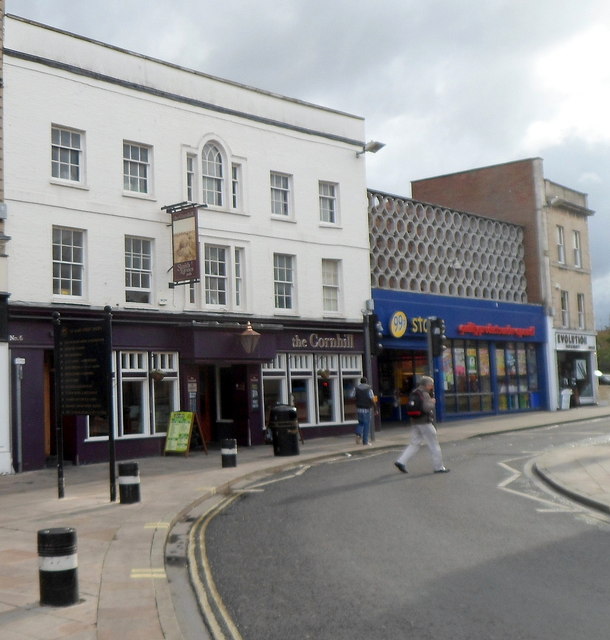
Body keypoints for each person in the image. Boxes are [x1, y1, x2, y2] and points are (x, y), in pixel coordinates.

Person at [394, 375, 449, 474]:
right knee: (434, 445)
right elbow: (426, 408)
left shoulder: (414, 392)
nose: (432, 386)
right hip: (425, 422)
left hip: (415, 422)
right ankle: (439, 467)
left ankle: (401, 461)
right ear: (427, 385)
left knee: (414, 443)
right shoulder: (425, 394)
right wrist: (432, 403)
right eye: (431, 384)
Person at [354, 376, 375, 446]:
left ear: (360, 382)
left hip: (359, 409)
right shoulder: (369, 389)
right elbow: (372, 399)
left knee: (360, 423)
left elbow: (352, 396)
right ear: (366, 381)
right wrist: (375, 408)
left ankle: (358, 433)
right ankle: (365, 442)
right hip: (366, 409)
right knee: (366, 425)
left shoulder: (356, 389)